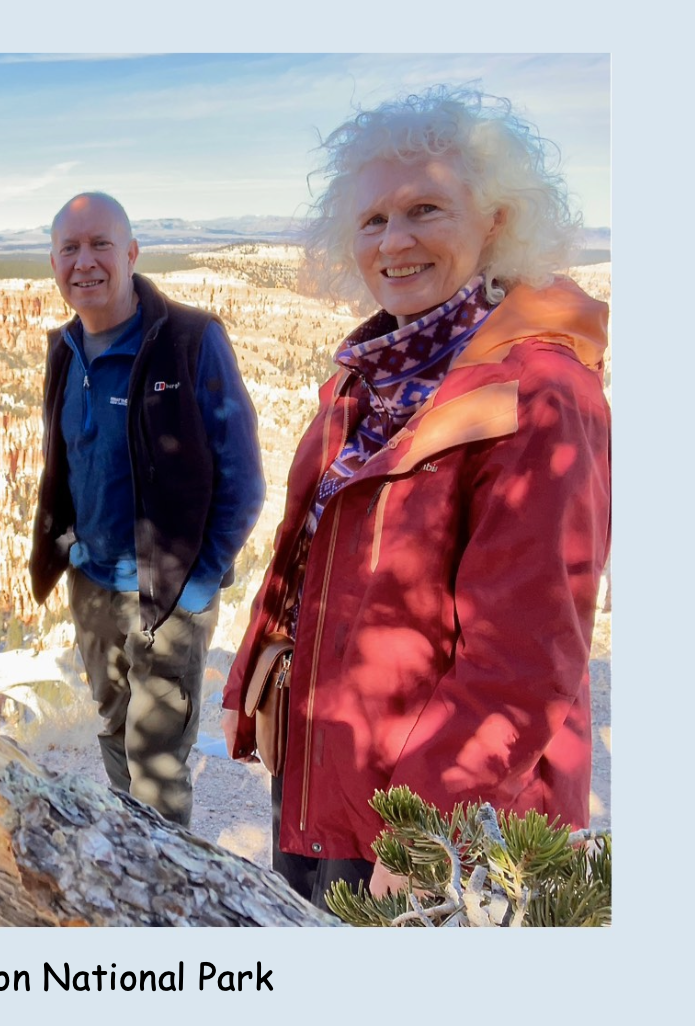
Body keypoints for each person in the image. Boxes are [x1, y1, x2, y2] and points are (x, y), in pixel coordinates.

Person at [221, 87, 612, 909]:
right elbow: (305, 549)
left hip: (441, 819)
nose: (394, 241)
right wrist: (250, 678)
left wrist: (427, 830)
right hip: (328, 784)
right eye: (372, 220)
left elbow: (526, 654)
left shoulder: (538, 393)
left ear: (495, 221)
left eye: (424, 209)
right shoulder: (367, 380)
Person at [30, 192, 265, 827]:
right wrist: (67, 557)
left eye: (100, 244)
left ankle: (164, 876)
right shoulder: (64, 348)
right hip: (93, 584)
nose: (85, 262)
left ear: (131, 253)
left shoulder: (190, 341)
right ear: (53, 263)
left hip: (169, 592)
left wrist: (197, 586)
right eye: (69, 249)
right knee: (114, 729)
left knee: (156, 761)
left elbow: (243, 481)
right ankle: (133, 849)